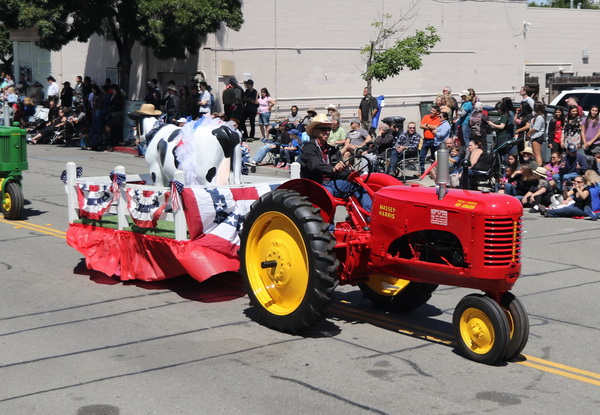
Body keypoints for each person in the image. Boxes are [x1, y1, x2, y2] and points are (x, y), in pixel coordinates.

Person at [300, 114, 372, 211]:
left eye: (329, 129)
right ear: (315, 131)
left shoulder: (332, 150)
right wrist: (333, 168)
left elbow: (341, 167)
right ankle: (326, 221)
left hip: (332, 182)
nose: (327, 132)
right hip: (316, 184)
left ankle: (369, 216)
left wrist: (350, 175)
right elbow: (315, 164)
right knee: (328, 195)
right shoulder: (308, 148)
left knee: (358, 187)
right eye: (323, 129)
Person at [420, 105, 441, 174]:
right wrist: (431, 127)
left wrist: (427, 125)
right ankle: (421, 171)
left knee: (433, 157)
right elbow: (421, 125)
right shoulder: (426, 116)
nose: (431, 111)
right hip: (425, 140)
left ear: (437, 113)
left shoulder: (439, 119)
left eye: (433, 111)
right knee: (422, 156)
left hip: (433, 140)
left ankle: (432, 171)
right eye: (431, 110)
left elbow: (436, 127)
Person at [528, 102, 547, 166]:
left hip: (537, 136)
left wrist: (528, 133)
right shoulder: (536, 116)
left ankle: (539, 167)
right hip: (534, 136)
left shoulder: (540, 117)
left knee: (537, 154)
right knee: (535, 154)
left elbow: (536, 128)